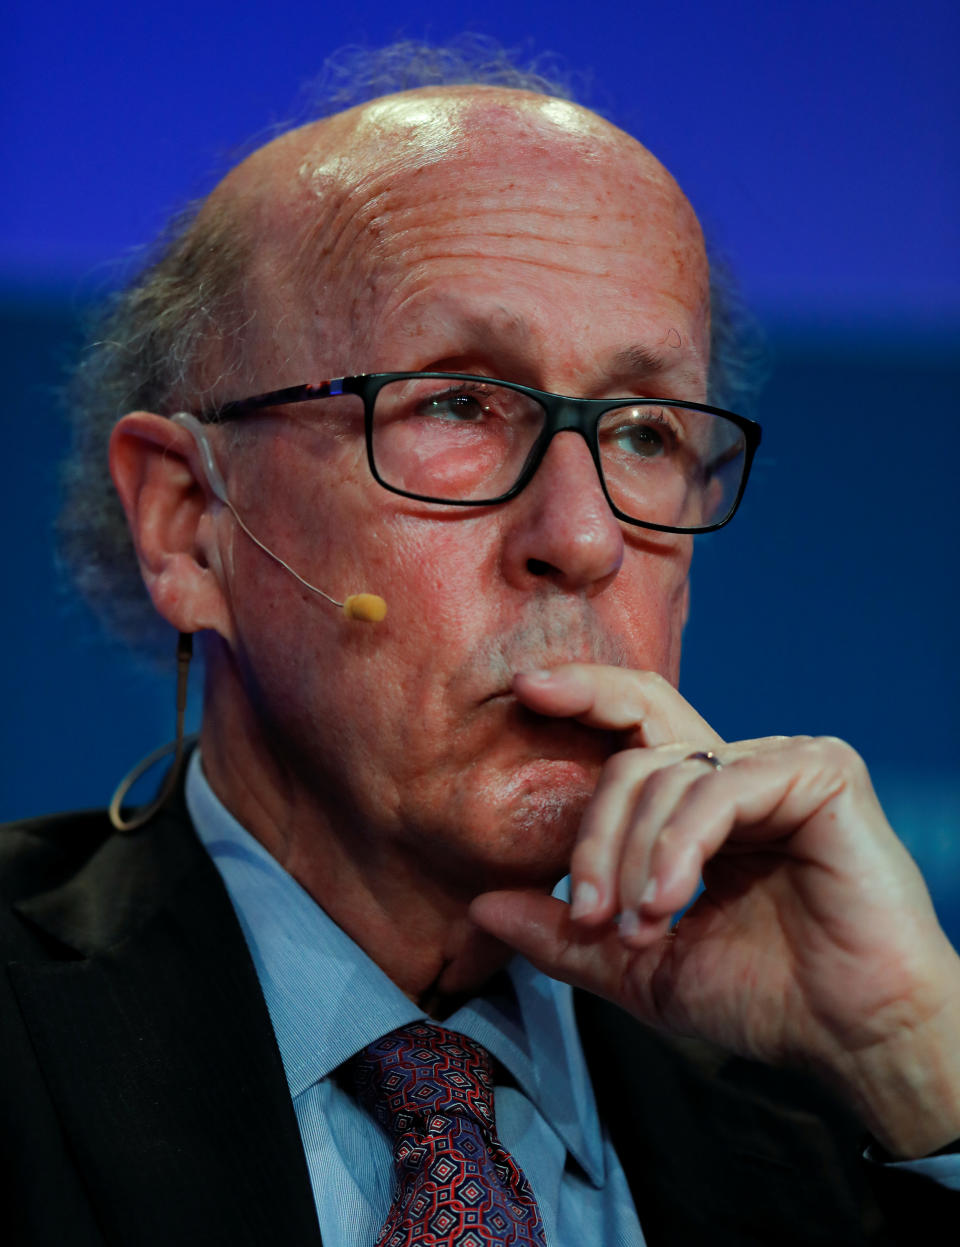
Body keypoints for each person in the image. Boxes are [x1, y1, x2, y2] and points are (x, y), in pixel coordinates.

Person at [3, 42, 958, 1247]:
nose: (585, 535)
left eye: (648, 430)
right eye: (455, 401)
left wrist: (918, 1064)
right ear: (192, 524)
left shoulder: (844, 1106)